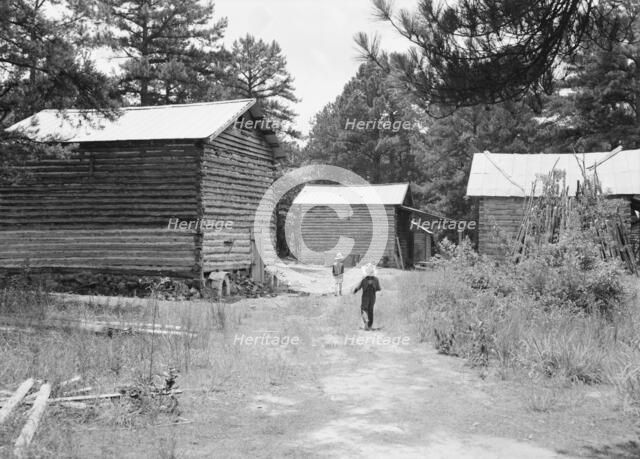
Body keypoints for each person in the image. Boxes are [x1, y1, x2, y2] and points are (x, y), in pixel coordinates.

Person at [353, 263, 381, 330]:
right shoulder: (376, 279)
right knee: (370, 310)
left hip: (365, 296)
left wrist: (355, 291)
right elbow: (378, 288)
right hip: (373, 296)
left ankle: (366, 322)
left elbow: (358, 287)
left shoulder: (364, 279)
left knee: (364, 309)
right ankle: (369, 325)